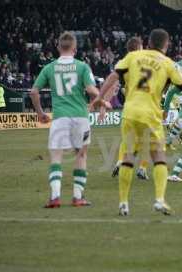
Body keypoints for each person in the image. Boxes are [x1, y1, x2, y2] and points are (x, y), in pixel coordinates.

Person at [90, 29, 182, 216]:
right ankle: (159, 200)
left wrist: (98, 97)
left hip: (129, 113)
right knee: (159, 156)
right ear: (166, 44)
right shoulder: (168, 63)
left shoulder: (134, 56)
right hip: (150, 115)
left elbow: (113, 76)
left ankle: (123, 202)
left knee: (129, 156)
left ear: (149, 43)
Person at [30, 32, 106, 208]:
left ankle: (55, 197)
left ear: (58, 48)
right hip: (80, 117)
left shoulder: (49, 68)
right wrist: (102, 101)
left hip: (60, 118)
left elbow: (34, 92)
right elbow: (91, 90)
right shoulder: (82, 66)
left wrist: (40, 113)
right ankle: (78, 197)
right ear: (75, 49)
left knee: (56, 156)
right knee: (81, 155)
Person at [111, 36, 152, 180]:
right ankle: (142, 168)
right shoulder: (147, 62)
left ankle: (120, 160)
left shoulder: (124, 63)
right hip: (146, 106)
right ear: (140, 47)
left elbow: (115, 82)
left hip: (129, 106)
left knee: (127, 138)